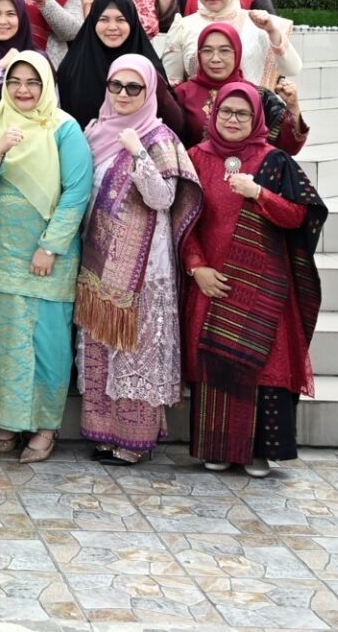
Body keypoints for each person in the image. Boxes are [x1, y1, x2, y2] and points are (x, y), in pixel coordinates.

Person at [181, 81, 327, 477]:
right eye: (226, 112)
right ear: (214, 114)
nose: (233, 120)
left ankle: (260, 451)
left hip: (264, 285)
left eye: (242, 114)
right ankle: (217, 447)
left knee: (265, 365)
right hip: (213, 282)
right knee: (215, 364)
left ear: (256, 118)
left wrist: (259, 193)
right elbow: (183, 219)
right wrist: (196, 267)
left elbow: (299, 216)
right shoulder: (195, 157)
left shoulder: (275, 160)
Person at [76, 53, 201, 465]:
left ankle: (133, 440)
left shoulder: (159, 137)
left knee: (135, 350)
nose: (124, 94)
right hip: (98, 258)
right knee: (100, 346)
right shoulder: (94, 131)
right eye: (116, 86)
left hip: (144, 267)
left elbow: (163, 198)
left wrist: (139, 155)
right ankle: (104, 433)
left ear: (149, 92)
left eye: (135, 88)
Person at [0, 52, 94, 463]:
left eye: (33, 82)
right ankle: (10, 423)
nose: (22, 90)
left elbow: (77, 190)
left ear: (46, 85)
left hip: (48, 256)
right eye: (15, 81)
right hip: (3, 252)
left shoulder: (63, 127)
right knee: (5, 340)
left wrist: (50, 246)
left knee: (47, 343)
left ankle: (45, 427)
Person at [162, 0, 302, 89]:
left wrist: (272, 32)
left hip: (251, 104)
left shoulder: (258, 23)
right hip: (200, 104)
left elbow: (292, 69)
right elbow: (171, 83)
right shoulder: (183, 27)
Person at [56, 0, 187, 135]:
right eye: (104, 19)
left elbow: (175, 124)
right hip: (85, 146)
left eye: (120, 20)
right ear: (93, 22)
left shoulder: (148, 68)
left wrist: (154, 82)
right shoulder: (73, 68)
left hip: (141, 146)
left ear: (132, 22)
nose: (112, 27)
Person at [174, 23, 309, 153]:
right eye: (207, 51)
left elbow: (290, 147)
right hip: (196, 167)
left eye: (224, 51)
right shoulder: (182, 94)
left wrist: (293, 106)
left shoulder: (257, 95)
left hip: (252, 169)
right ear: (199, 54)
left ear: (237, 53)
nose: (215, 59)